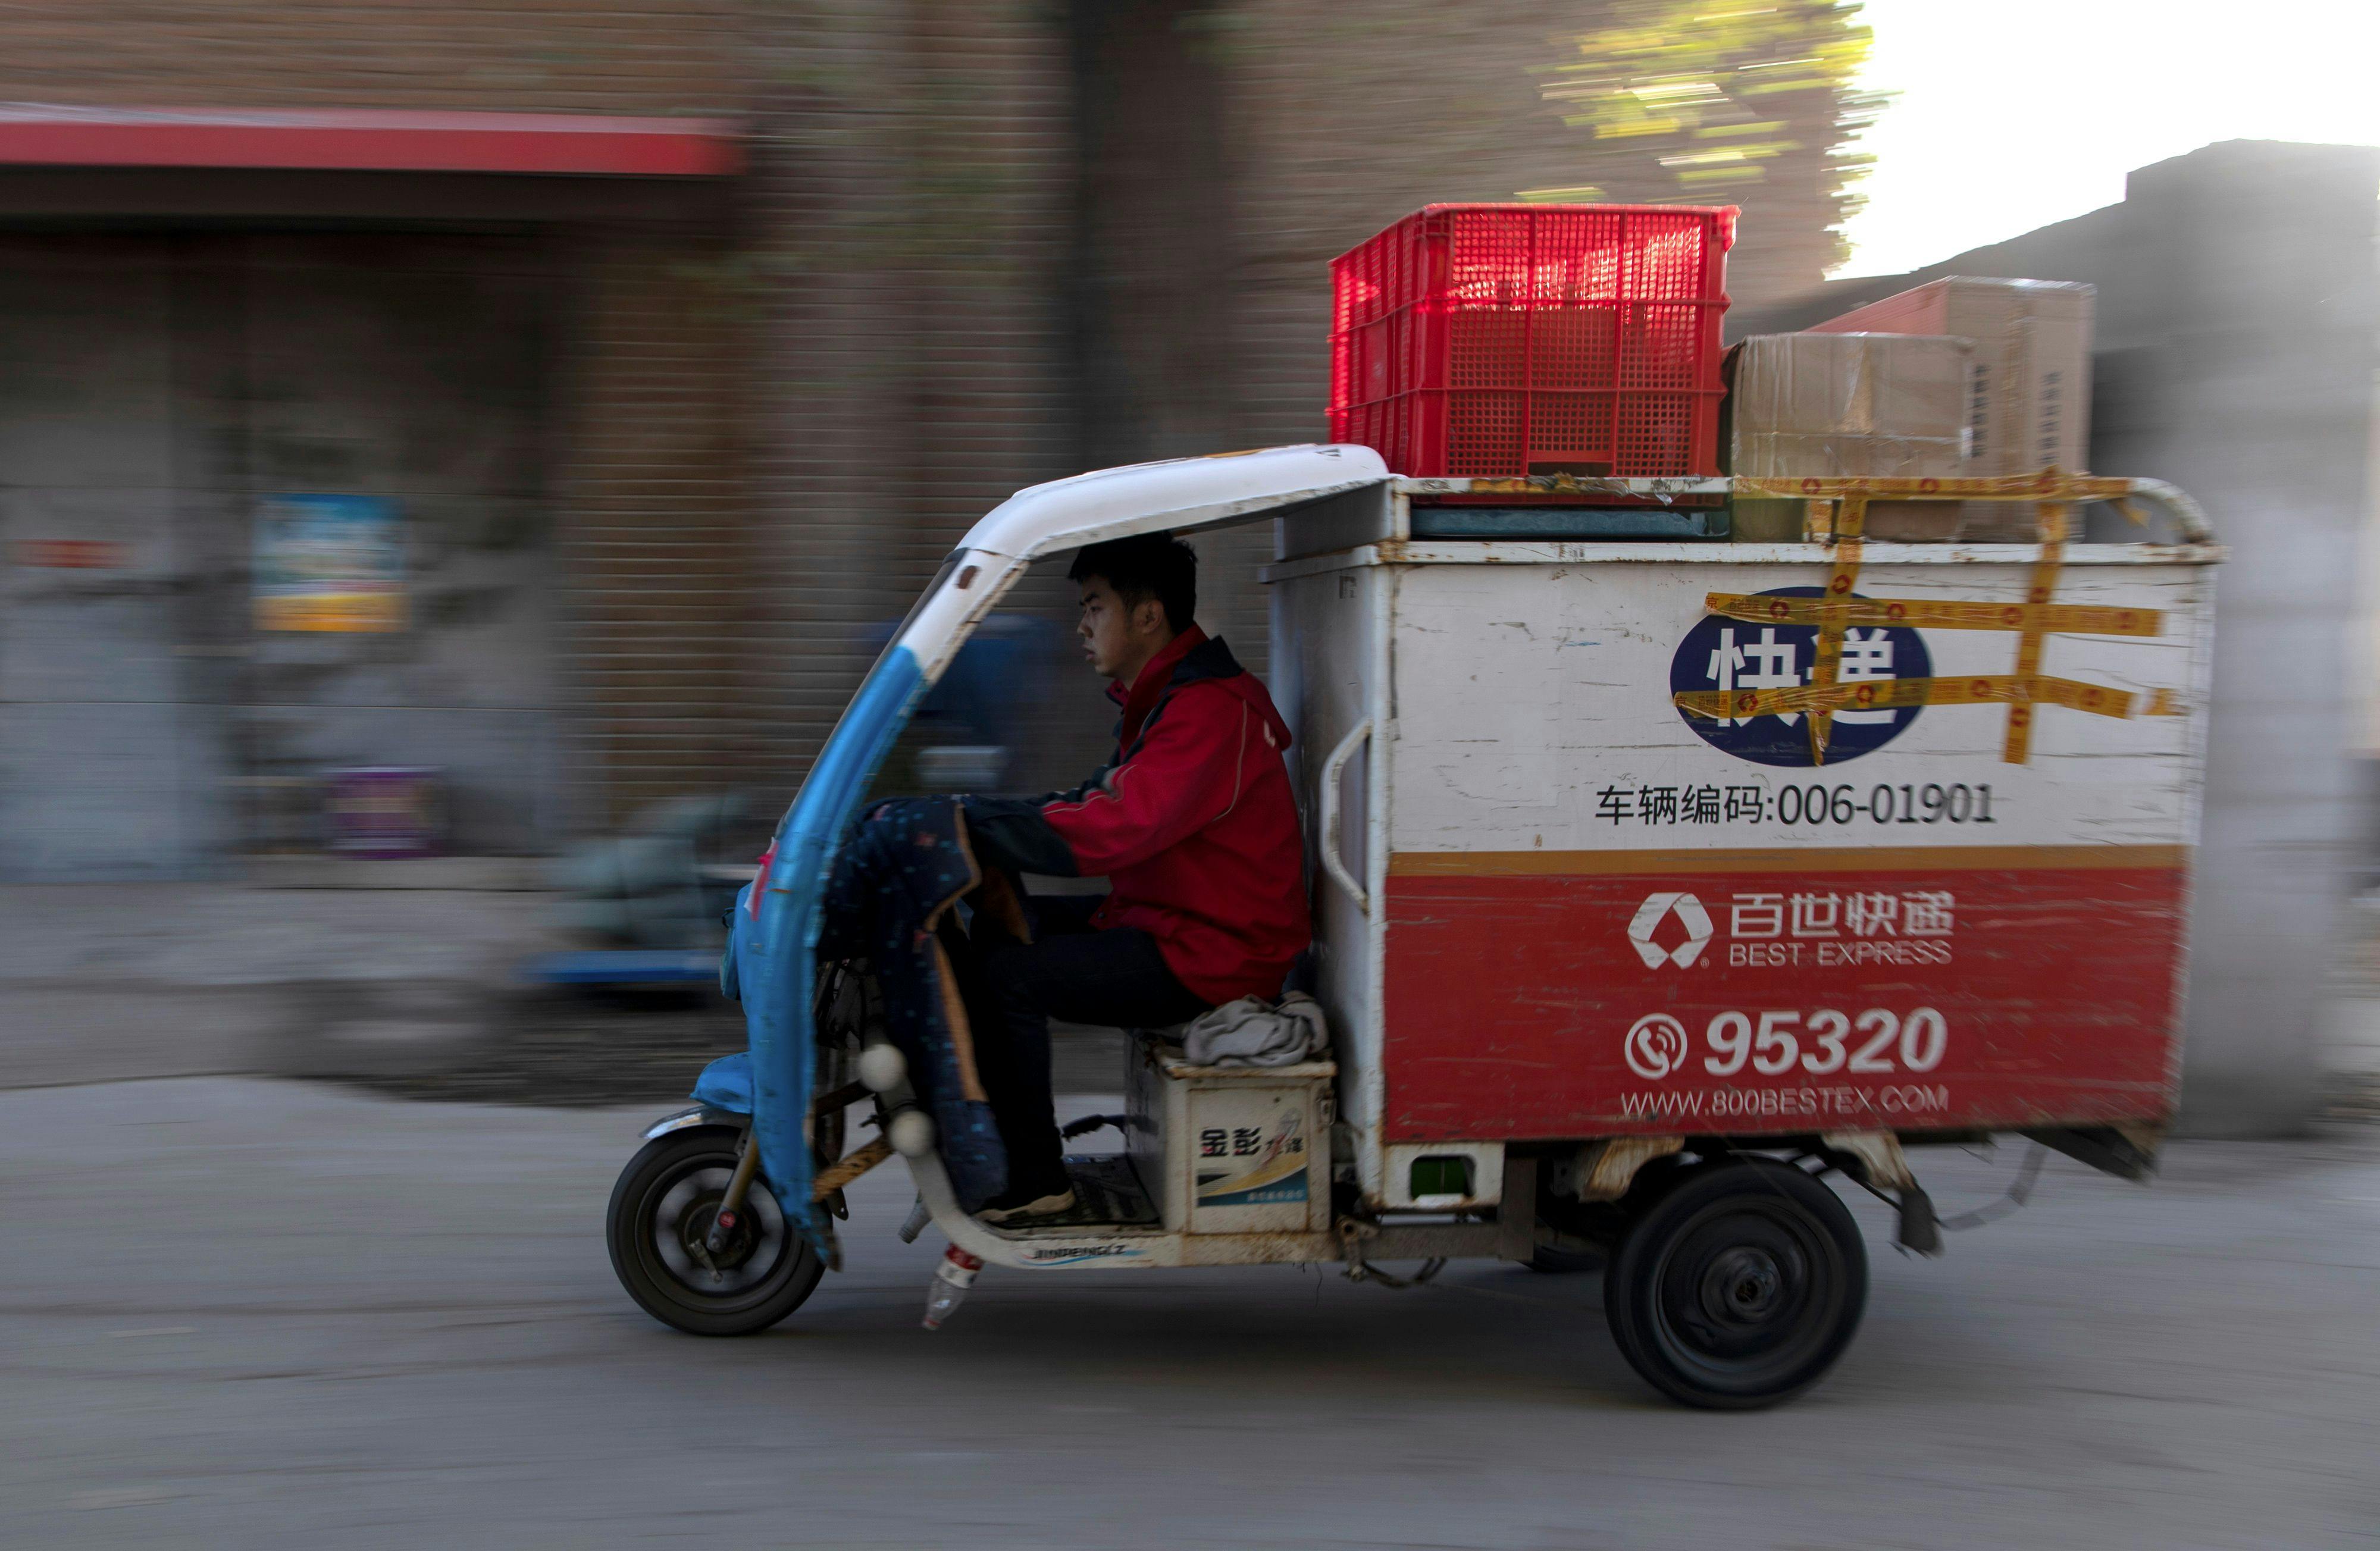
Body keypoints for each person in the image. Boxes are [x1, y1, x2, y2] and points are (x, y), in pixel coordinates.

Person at [956, 532, 1310, 1224]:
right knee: (994, 932)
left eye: (1094, 606)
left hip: (1216, 952)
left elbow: (1119, 823)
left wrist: (977, 825)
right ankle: (994, 1141)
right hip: (1166, 920)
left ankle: (1033, 1179)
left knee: (1008, 978)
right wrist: (978, 817)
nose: (1083, 625)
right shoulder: (1164, 703)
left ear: (1147, 617)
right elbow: (1087, 800)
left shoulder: (1209, 710)